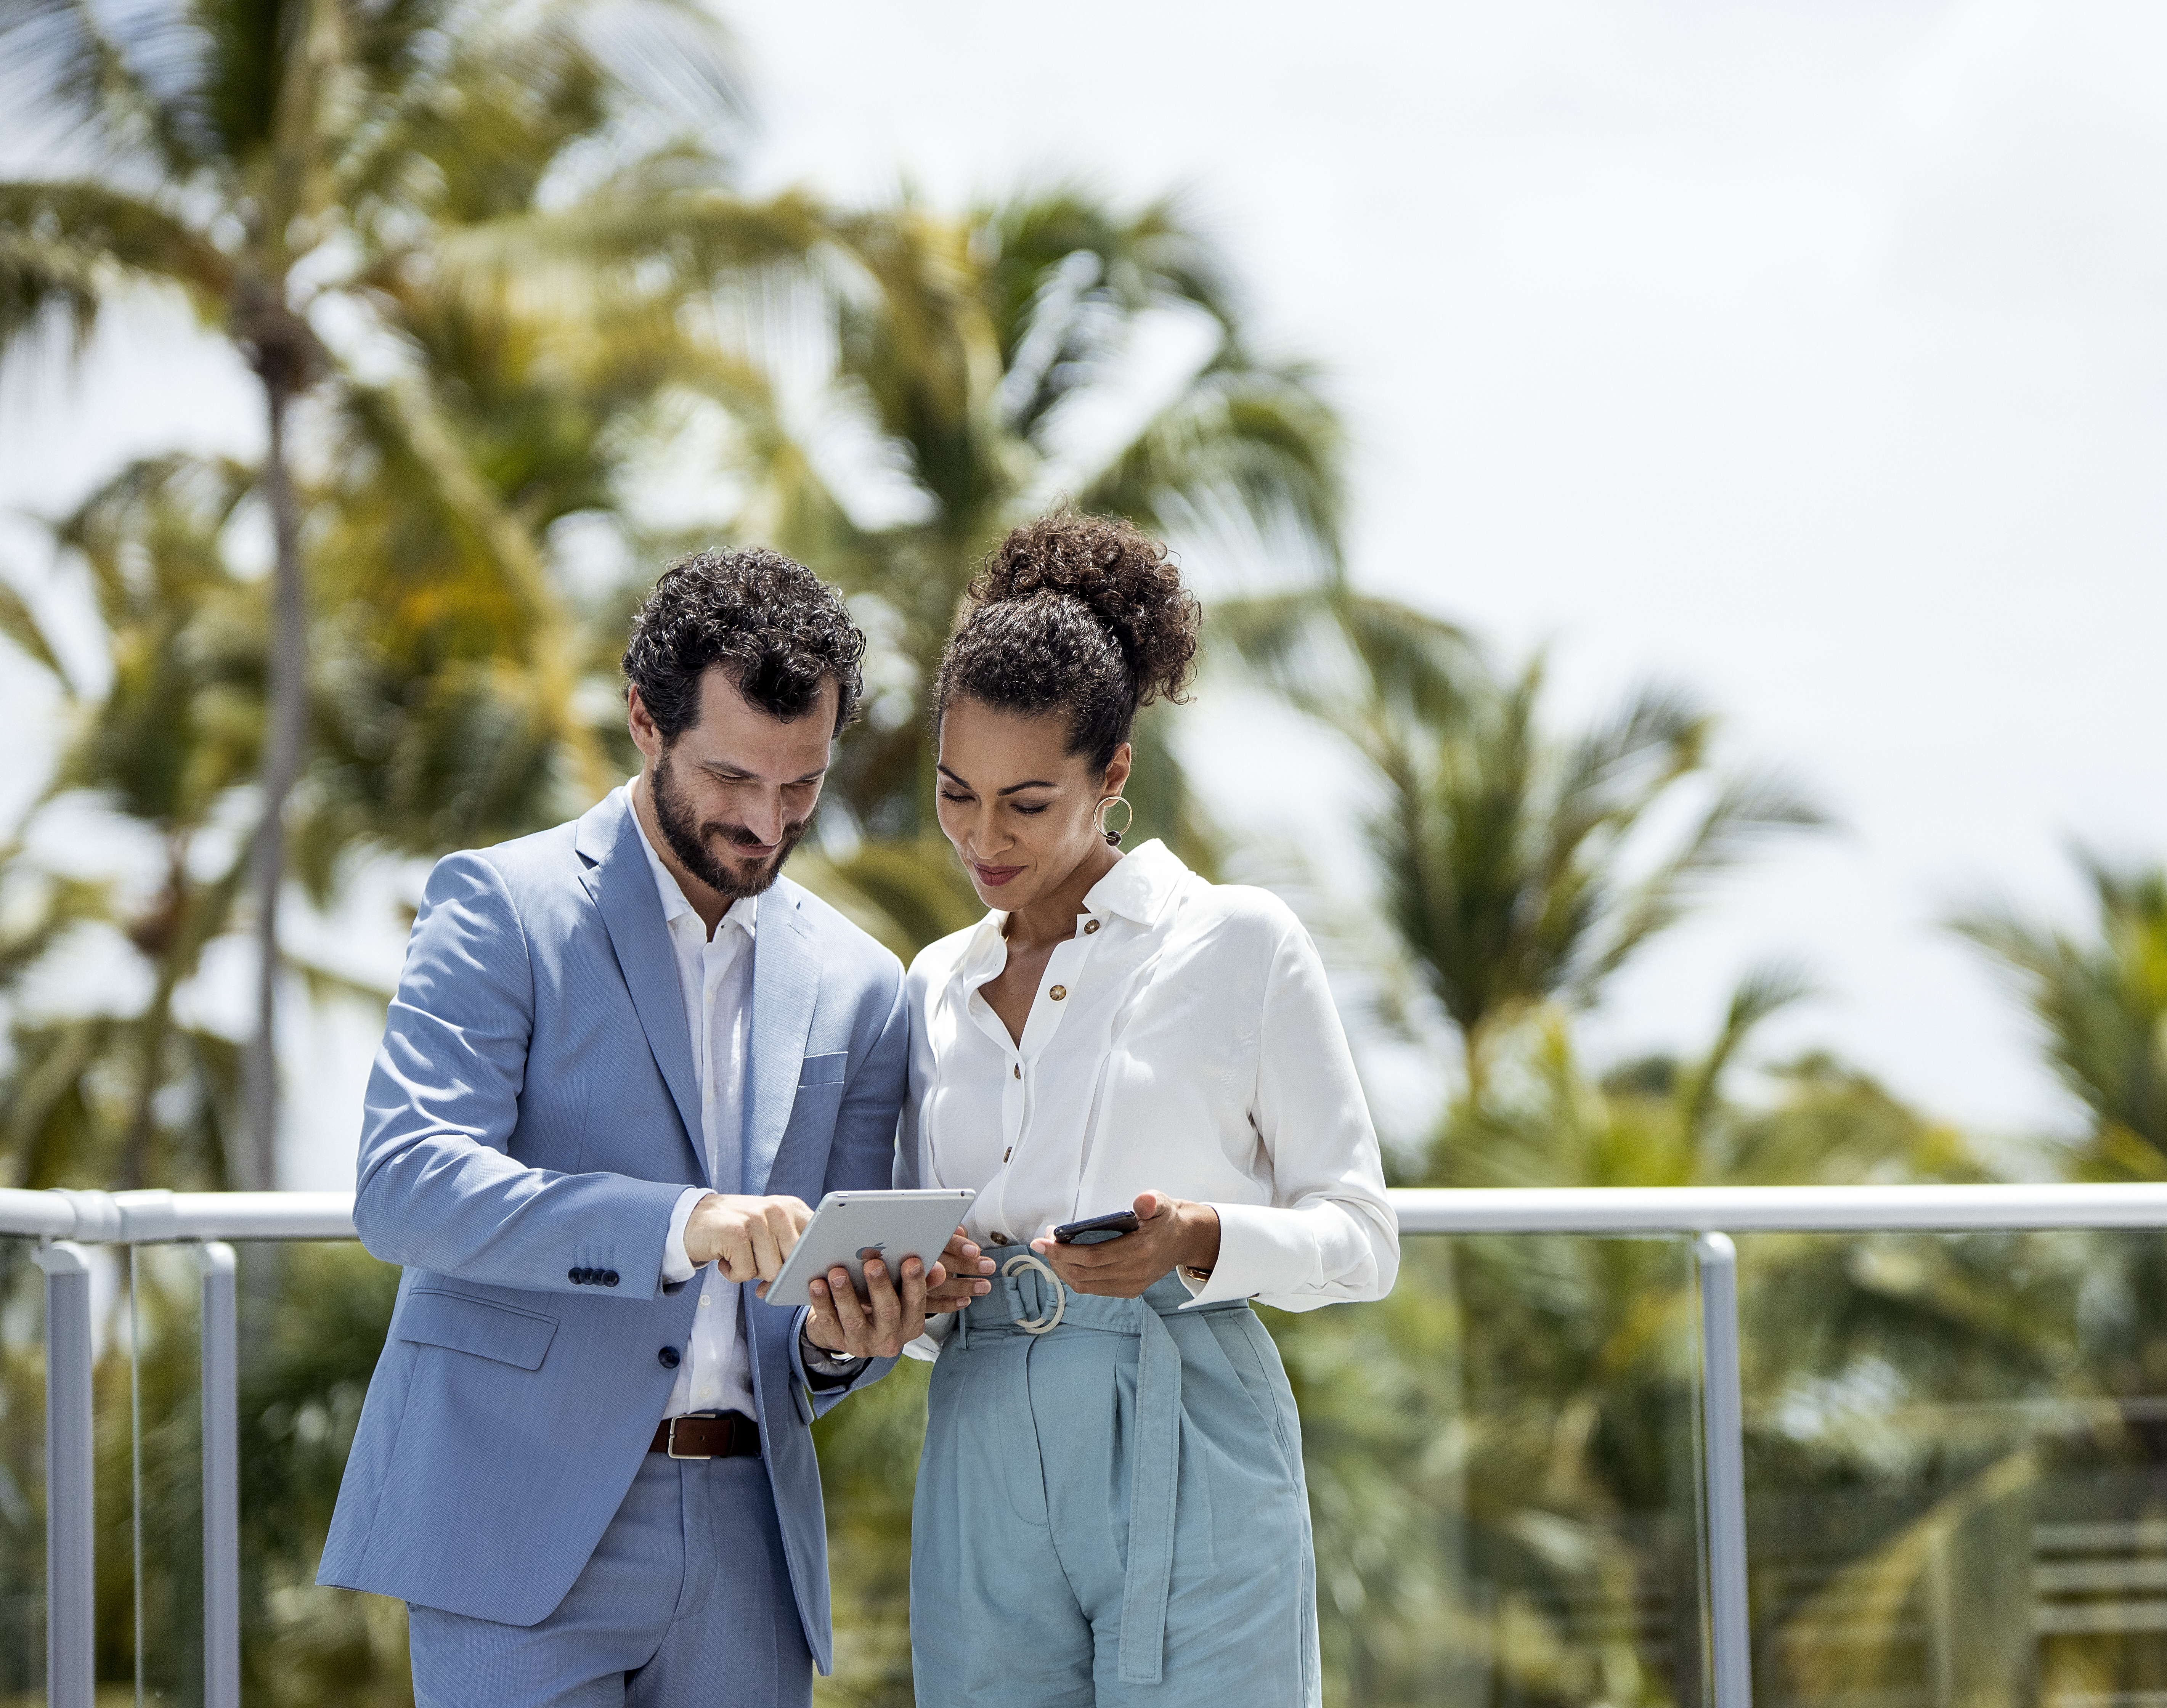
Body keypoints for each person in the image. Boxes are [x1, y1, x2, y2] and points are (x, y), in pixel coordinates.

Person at [318, 546, 994, 1707]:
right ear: (644, 720)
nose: (765, 822)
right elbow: (406, 1183)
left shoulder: (862, 983)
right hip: (513, 1523)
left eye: (800, 786)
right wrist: (684, 1224)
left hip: (746, 1543)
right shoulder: (501, 907)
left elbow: (807, 1331)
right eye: (732, 777)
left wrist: (849, 1334)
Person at [896, 511, 1399, 1706]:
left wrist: (1204, 1240)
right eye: (956, 794)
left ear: (1113, 774)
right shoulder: (934, 984)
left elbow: (1363, 1237)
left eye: (1026, 803)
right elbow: (918, 1281)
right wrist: (916, 1297)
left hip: (1190, 1420)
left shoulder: (1239, 942)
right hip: (980, 1441)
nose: (982, 837)